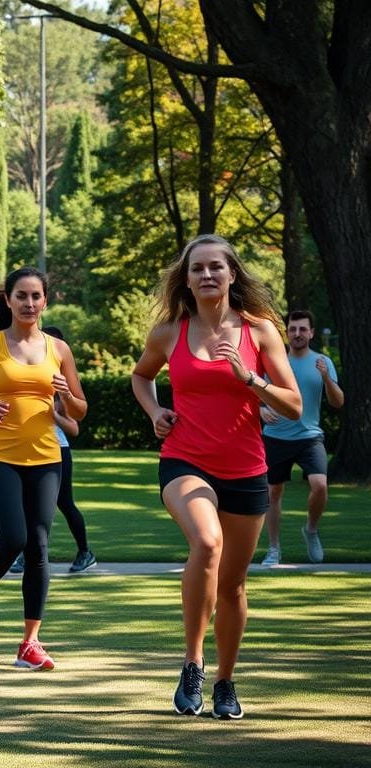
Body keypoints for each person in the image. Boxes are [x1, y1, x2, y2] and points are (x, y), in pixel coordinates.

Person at [131, 234, 300, 720]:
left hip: (246, 468)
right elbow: (141, 376)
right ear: (186, 279)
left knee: (233, 586)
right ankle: (193, 664)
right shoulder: (169, 332)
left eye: (216, 268)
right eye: (197, 268)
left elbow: (293, 405)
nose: (207, 275)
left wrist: (249, 376)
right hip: (185, 459)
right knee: (206, 542)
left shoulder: (261, 331)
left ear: (232, 275)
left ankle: (226, 680)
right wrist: (154, 410)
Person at [0, 267, 87, 672]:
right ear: (8, 300)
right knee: (13, 538)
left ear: (46, 301)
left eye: (36, 296)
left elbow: (80, 410)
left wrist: (65, 395)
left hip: (46, 457)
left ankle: (30, 642)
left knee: (40, 547)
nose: (29, 303)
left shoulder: (59, 350)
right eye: (22, 296)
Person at [259, 310, 343, 565]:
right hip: (276, 436)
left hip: (309, 436)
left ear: (311, 333)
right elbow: (255, 393)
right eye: (293, 329)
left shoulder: (323, 362)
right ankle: (274, 549)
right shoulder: (274, 361)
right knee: (273, 492)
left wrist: (327, 377)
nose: (297, 334)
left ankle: (311, 529)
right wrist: (261, 410)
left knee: (320, 486)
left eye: (302, 329)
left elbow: (338, 402)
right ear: (286, 333)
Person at [12, 326, 96, 575]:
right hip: (27, 447)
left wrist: (53, 414)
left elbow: (74, 428)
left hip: (57, 449)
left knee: (63, 503)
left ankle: (85, 552)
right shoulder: (27, 375)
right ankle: (29, 556)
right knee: (28, 503)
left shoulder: (63, 384)